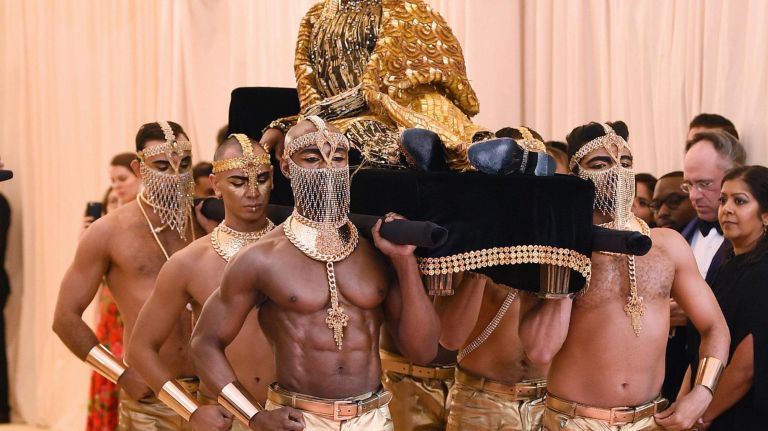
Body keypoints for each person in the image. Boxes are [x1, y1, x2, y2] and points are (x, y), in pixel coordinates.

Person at [191, 117, 440, 431]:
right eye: (311, 159)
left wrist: (404, 263)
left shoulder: (375, 251)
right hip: (298, 419)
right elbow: (204, 342)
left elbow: (423, 351)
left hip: (373, 418)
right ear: (285, 168)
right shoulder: (261, 258)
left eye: (337, 158)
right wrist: (254, 416)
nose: (327, 169)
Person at [518, 121, 730, 431]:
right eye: (601, 163)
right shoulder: (551, 247)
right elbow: (539, 351)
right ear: (577, 176)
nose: (617, 171)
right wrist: (567, 251)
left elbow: (715, 327)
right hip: (573, 422)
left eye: (625, 162)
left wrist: (702, 392)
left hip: (650, 421)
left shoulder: (668, 245)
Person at [53, 121, 207, 430]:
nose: (175, 175)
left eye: (184, 164)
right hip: (151, 398)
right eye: (162, 166)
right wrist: (119, 374)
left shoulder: (209, 221)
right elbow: (65, 319)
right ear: (138, 168)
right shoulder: (109, 231)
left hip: (213, 394)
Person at [260, 0, 523, 174]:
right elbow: (309, 95)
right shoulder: (315, 17)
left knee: (437, 112)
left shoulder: (405, 8)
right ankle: (431, 157)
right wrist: (288, 125)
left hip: (400, 102)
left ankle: (503, 152)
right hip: (343, 119)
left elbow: (400, 78)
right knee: (360, 131)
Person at [128, 134, 276, 431]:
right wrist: (191, 411)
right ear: (215, 185)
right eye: (237, 182)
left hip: (287, 414)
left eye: (261, 179)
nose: (252, 192)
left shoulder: (295, 249)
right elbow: (140, 348)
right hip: (223, 415)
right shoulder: (190, 262)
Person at [681, 165, 768, 431]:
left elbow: (747, 366)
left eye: (739, 201)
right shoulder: (727, 267)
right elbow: (702, 342)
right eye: (723, 200)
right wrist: (682, 402)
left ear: (765, 215)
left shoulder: (764, 270)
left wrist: (700, 417)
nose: (726, 209)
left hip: (738, 415)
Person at [439, 273, 547, 431]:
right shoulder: (464, 249)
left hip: (549, 406)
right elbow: (448, 338)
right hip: (481, 405)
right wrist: (481, 257)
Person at [648, 171, 698, 402]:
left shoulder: (724, 243)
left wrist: (692, 312)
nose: (663, 212)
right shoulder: (645, 246)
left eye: (674, 201)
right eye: (656, 205)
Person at [682, 130, 746, 281]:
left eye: (704, 184)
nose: (693, 196)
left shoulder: (755, 239)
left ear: (735, 175)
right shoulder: (680, 233)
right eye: (688, 185)